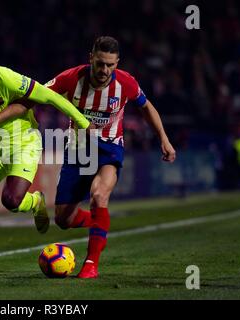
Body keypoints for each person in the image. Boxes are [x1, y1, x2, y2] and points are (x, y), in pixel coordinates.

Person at [0, 37, 92, 275]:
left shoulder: (8, 78)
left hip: (24, 142)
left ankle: (35, 201)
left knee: (11, 201)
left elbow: (50, 96)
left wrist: (83, 122)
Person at [45, 36, 176, 278]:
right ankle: (98, 223)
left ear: (117, 63)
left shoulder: (125, 83)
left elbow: (147, 107)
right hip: (78, 150)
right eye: (100, 64)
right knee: (63, 219)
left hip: (109, 149)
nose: (105, 70)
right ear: (91, 58)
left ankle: (91, 263)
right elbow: (36, 95)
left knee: (99, 194)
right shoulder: (71, 78)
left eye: (110, 65)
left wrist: (164, 139)